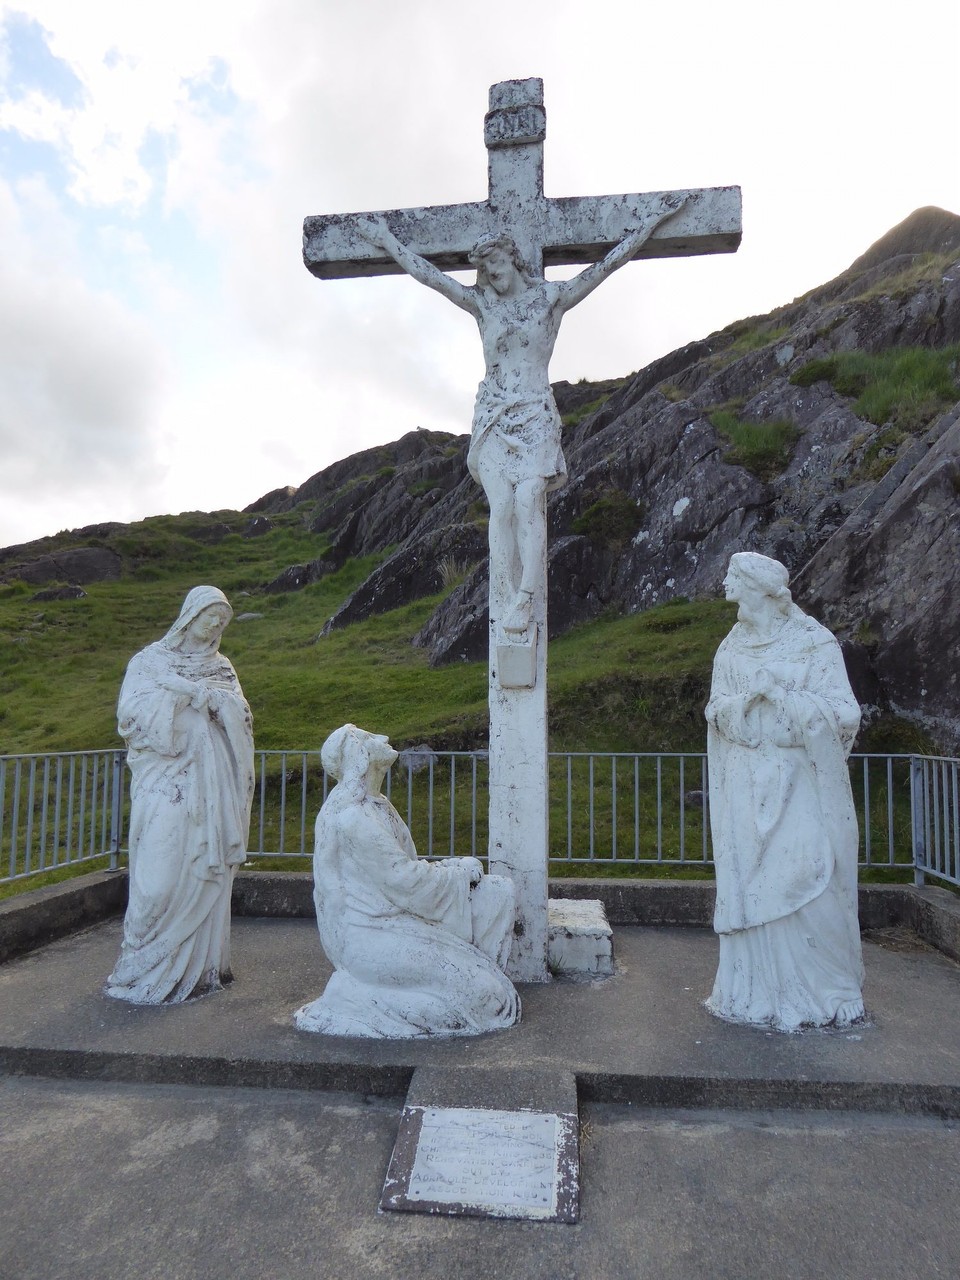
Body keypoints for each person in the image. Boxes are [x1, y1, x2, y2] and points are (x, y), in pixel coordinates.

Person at [357, 200, 685, 634]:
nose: (491, 273)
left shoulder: (552, 298)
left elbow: (607, 266)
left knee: (530, 499)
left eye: (495, 262)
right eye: (484, 268)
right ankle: (508, 595)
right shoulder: (481, 305)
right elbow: (430, 277)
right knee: (502, 508)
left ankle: (527, 597)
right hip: (494, 414)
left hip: (533, 413)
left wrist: (650, 226)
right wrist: (387, 242)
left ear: (512, 257)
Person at [704, 553, 865, 1031]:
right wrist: (747, 703)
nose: (727, 587)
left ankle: (829, 989)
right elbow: (715, 709)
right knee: (754, 888)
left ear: (758, 589)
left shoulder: (814, 644)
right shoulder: (731, 647)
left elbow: (845, 713)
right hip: (745, 784)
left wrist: (785, 700)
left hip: (801, 783)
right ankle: (755, 994)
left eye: (734, 579)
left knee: (814, 871)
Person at [295, 723, 519, 1038]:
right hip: (371, 938)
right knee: (491, 1001)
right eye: (370, 738)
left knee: (497, 893)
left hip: (398, 921)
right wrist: (456, 871)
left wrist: (453, 870)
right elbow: (403, 880)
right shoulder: (352, 818)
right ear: (360, 757)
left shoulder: (377, 805)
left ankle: (375, 996)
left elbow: (404, 872)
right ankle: (354, 999)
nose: (383, 737)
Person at [106, 586, 255, 1004]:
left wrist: (213, 702)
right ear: (189, 615)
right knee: (157, 874)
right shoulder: (150, 662)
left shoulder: (221, 667)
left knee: (201, 869)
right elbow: (130, 716)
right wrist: (180, 697)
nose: (214, 626)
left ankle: (203, 970)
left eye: (222, 621)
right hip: (165, 780)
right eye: (210, 616)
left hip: (211, 785)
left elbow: (242, 717)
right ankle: (141, 964)